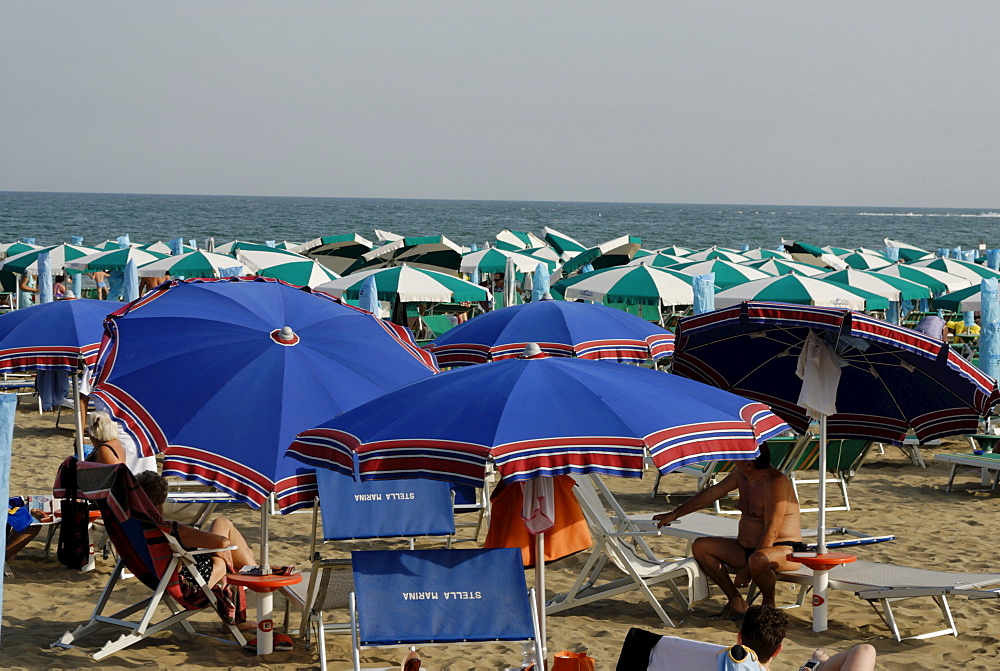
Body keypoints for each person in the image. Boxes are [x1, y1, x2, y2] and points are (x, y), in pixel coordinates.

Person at [653, 444, 804, 619]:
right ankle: (736, 602)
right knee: (701, 547)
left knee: (758, 559)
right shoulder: (742, 475)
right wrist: (673, 514)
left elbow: (772, 532)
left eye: (736, 454)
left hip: (784, 550)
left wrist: (747, 571)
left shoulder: (775, 483)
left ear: (749, 463)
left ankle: (768, 607)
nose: (732, 457)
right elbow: (712, 493)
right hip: (747, 550)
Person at [135, 471, 256, 591]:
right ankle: (256, 575)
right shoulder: (170, 529)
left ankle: (252, 570)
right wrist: (217, 551)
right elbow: (223, 543)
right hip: (195, 581)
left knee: (237, 548)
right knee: (222, 524)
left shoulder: (135, 528)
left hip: (161, 577)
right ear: (163, 498)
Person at [718, 605, 876, 671]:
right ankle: (820, 664)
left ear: (739, 639)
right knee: (866, 650)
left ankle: (820, 664)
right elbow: (864, 650)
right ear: (778, 650)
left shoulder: (718, 661)